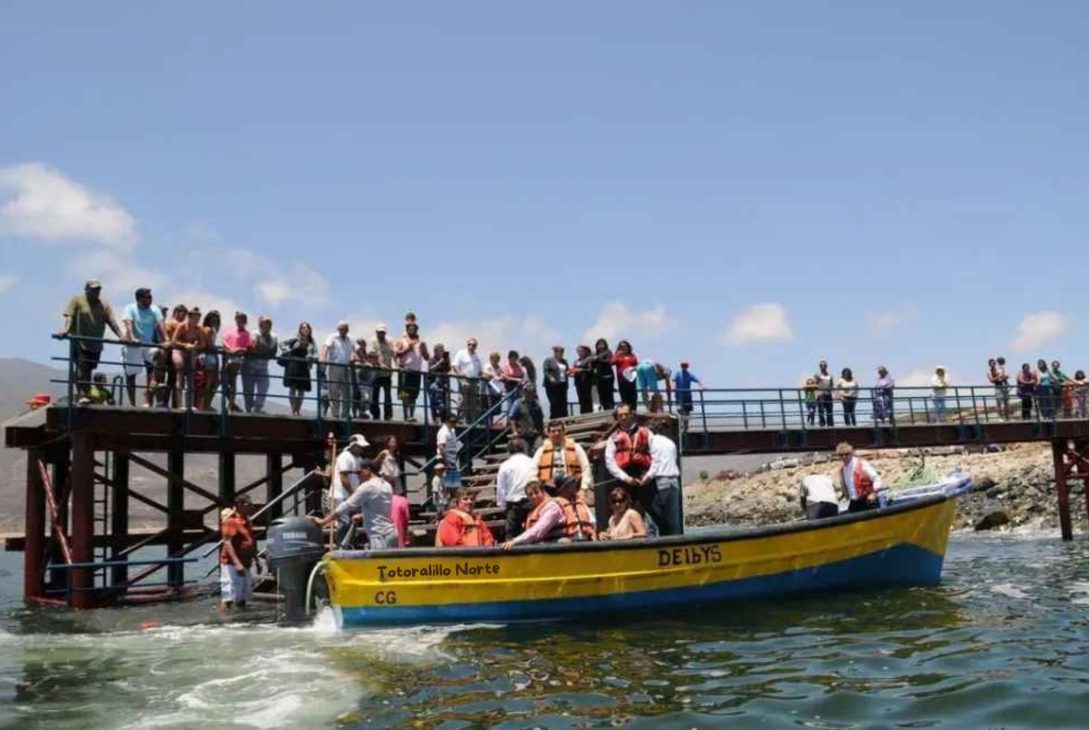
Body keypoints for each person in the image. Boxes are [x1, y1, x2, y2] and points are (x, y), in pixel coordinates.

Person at [56, 279, 124, 404]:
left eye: (98, 289)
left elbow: (111, 321)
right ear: (86, 289)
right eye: (93, 289)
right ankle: (82, 395)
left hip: (95, 343)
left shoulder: (103, 304)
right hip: (79, 340)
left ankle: (85, 394)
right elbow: (70, 317)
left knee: (89, 368)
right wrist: (66, 331)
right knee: (82, 367)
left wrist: (121, 336)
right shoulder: (77, 300)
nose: (96, 292)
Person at [315, 458, 398, 549]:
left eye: (359, 472)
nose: (357, 476)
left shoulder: (367, 486)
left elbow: (346, 506)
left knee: (380, 563)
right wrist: (363, 515)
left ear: (368, 470)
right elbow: (380, 509)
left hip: (379, 536)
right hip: (391, 533)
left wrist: (323, 522)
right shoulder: (386, 485)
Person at [501, 476, 595, 548]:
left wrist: (515, 541)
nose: (534, 496)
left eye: (536, 492)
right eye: (530, 494)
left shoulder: (552, 507)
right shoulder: (539, 509)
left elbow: (538, 529)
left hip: (567, 544)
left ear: (543, 492)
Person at [120, 287, 167, 407]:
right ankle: (132, 404)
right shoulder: (130, 308)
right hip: (133, 344)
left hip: (148, 344)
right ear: (139, 299)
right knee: (131, 375)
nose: (150, 299)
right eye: (147, 297)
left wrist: (167, 340)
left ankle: (153, 382)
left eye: (151, 297)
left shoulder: (155, 309)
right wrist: (132, 337)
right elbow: (128, 324)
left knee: (161, 354)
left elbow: (161, 325)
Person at [639, 420, 682, 536]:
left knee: (656, 519)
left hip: (660, 482)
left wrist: (646, 477)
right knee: (673, 521)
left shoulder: (652, 442)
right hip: (674, 482)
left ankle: (655, 541)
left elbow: (655, 464)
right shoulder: (670, 442)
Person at [219, 494, 257, 612]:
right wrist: (237, 563)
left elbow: (250, 541)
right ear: (239, 505)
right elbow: (227, 543)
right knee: (229, 597)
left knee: (243, 596)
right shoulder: (231, 521)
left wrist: (256, 559)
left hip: (246, 562)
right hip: (232, 564)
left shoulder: (247, 521)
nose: (251, 507)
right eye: (248, 505)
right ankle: (224, 620)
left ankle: (242, 621)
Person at [533, 421, 592, 493]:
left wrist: (583, 488)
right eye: (553, 431)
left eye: (559, 430)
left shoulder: (576, 447)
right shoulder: (541, 450)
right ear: (548, 433)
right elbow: (533, 471)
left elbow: (586, 468)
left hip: (572, 488)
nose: (556, 433)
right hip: (549, 489)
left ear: (564, 432)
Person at [604, 404, 654, 491]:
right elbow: (609, 462)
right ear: (617, 417)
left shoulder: (646, 432)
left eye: (626, 414)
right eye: (620, 415)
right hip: (623, 478)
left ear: (632, 415)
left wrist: (649, 475)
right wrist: (626, 478)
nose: (623, 417)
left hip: (646, 477)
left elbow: (657, 456)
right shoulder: (613, 438)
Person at [496, 438, 536, 539]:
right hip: (532, 501)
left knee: (511, 535)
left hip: (513, 504)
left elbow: (501, 488)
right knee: (533, 532)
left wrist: (502, 505)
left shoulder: (504, 465)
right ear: (524, 448)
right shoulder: (532, 463)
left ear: (508, 450)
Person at [394, 314, 429, 421]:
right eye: (410, 328)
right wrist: (408, 349)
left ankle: (412, 415)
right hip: (405, 369)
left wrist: (424, 349)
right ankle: (406, 415)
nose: (412, 330)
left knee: (414, 394)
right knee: (405, 394)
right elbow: (397, 354)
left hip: (416, 371)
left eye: (414, 328)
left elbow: (427, 357)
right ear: (407, 329)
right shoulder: (401, 341)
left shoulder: (420, 342)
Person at [170, 306, 205, 409]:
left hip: (191, 353)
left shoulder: (198, 329)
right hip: (179, 351)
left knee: (191, 377)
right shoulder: (181, 326)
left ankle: (189, 404)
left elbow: (203, 344)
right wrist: (185, 345)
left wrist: (194, 346)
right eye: (195, 318)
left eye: (198, 318)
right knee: (180, 373)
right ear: (189, 317)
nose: (197, 320)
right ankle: (180, 404)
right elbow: (174, 341)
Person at [280, 322, 316, 416]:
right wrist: (288, 351)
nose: (305, 329)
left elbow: (314, 354)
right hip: (293, 365)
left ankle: (298, 410)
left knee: (301, 390)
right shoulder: (294, 340)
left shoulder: (311, 342)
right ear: (300, 329)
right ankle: (293, 410)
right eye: (303, 328)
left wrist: (311, 358)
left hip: (303, 367)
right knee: (292, 388)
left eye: (307, 328)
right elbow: (282, 344)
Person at [837, 442, 884, 513]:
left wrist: (873, 494)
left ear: (851, 453)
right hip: (854, 503)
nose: (844, 457)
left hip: (868, 500)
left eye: (846, 454)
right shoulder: (842, 470)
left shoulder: (862, 464)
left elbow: (876, 478)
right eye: (841, 455)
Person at [243, 316, 277, 413]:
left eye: (268, 324)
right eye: (264, 324)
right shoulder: (254, 334)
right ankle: (248, 410)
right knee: (249, 390)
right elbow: (253, 348)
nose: (266, 326)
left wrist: (261, 351)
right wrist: (263, 352)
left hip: (263, 367)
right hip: (250, 366)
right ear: (260, 325)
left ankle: (257, 408)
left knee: (264, 386)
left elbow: (273, 352)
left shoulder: (274, 337)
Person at [220, 312, 252, 413]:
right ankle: (232, 404)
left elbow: (248, 347)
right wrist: (229, 349)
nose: (239, 321)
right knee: (222, 381)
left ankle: (230, 406)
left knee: (232, 381)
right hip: (227, 357)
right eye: (238, 319)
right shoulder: (230, 330)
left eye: (241, 319)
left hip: (237, 359)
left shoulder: (246, 334)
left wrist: (238, 349)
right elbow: (224, 341)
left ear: (245, 321)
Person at [322, 321, 353, 420]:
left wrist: (361, 360)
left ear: (347, 330)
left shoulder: (349, 339)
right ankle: (335, 414)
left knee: (347, 392)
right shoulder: (332, 337)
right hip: (333, 366)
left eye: (343, 329)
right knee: (333, 391)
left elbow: (356, 350)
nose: (341, 331)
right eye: (340, 329)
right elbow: (325, 347)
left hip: (345, 367)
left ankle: (345, 414)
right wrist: (323, 357)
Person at [162, 304, 189, 408]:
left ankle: (173, 402)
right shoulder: (173, 323)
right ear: (177, 312)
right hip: (172, 353)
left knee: (174, 379)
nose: (183, 315)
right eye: (182, 313)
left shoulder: (179, 324)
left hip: (177, 352)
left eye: (184, 313)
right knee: (172, 379)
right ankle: (167, 402)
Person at [333, 433, 369, 508]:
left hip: (351, 496)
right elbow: (344, 478)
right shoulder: (345, 456)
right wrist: (353, 494)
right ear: (353, 446)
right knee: (343, 519)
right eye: (360, 447)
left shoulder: (359, 459)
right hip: (341, 496)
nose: (362, 449)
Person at [369, 323, 396, 421]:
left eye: (383, 332)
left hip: (387, 373)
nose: (381, 334)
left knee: (387, 395)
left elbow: (393, 353)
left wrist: (396, 365)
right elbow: (372, 355)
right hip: (375, 373)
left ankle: (388, 415)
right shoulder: (373, 341)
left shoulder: (389, 342)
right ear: (376, 332)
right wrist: (381, 365)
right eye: (380, 332)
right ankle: (376, 415)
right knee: (375, 395)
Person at [452, 338, 483, 421]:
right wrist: (460, 375)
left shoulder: (477, 356)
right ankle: (461, 420)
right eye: (469, 344)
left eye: (473, 345)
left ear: (476, 346)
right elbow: (455, 366)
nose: (471, 346)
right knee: (463, 400)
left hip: (474, 380)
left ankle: (471, 420)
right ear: (467, 344)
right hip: (464, 379)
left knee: (473, 401)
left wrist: (483, 376)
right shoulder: (461, 353)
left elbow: (480, 370)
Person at [199, 310, 223, 411]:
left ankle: (207, 404)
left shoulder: (213, 330)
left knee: (215, 382)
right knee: (208, 383)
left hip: (212, 356)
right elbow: (208, 344)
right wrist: (218, 349)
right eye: (212, 317)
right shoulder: (207, 329)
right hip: (208, 356)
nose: (215, 319)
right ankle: (204, 405)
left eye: (217, 318)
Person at [435, 412, 462, 491]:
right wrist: (446, 461)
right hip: (445, 460)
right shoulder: (443, 432)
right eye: (452, 422)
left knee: (454, 484)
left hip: (452, 459)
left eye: (455, 422)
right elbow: (441, 447)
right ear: (447, 421)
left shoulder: (452, 430)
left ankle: (453, 498)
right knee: (447, 484)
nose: (454, 423)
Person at [542, 345, 570, 420]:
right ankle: (554, 420)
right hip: (552, 385)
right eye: (557, 351)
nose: (559, 353)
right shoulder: (548, 360)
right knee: (554, 403)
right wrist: (551, 378)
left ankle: (564, 419)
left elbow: (567, 370)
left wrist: (569, 372)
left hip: (563, 384)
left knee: (563, 403)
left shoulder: (564, 361)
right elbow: (546, 371)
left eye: (561, 352)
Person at [428, 343, 453, 420]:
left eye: (443, 350)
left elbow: (449, 370)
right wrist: (439, 363)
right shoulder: (432, 359)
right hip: (433, 382)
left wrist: (447, 361)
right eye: (441, 350)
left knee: (445, 400)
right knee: (434, 400)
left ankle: (444, 417)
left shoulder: (444, 359)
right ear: (436, 351)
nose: (442, 351)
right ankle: (434, 418)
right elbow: (430, 369)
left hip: (443, 382)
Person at [612, 340, 639, 409]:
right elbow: (612, 362)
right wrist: (617, 354)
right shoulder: (618, 356)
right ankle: (626, 413)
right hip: (622, 379)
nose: (623, 348)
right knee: (624, 397)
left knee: (633, 397)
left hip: (631, 378)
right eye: (621, 347)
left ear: (628, 347)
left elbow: (636, 363)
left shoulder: (632, 355)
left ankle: (633, 412)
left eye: (625, 346)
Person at [571, 345, 596, 415]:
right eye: (578, 351)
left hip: (586, 382)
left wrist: (581, 370)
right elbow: (574, 370)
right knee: (581, 400)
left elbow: (590, 370)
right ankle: (583, 414)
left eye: (581, 351)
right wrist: (571, 373)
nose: (579, 353)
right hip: (578, 382)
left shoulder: (588, 359)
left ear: (585, 351)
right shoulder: (576, 361)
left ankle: (589, 414)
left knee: (587, 399)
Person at [482, 350, 507, 422]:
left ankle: (491, 421)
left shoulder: (499, 367)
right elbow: (486, 375)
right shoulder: (487, 366)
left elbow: (502, 374)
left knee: (496, 408)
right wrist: (495, 376)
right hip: (488, 388)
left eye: (497, 359)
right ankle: (487, 422)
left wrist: (501, 376)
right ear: (491, 358)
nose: (496, 360)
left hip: (497, 389)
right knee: (488, 406)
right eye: (494, 358)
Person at [593, 338, 616, 410]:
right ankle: (605, 410)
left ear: (605, 345)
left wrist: (598, 359)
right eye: (598, 345)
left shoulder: (608, 352)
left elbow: (609, 361)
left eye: (602, 344)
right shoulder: (595, 354)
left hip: (608, 376)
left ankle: (611, 410)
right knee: (602, 396)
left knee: (609, 395)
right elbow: (592, 364)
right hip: (599, 378)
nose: (600, 346)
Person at [815, 360, 834, 427]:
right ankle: (822, 423)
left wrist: (831, 388)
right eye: (822, 365)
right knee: (821, 410)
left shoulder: (830, 375)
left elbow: (832, 384)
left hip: (828, 394)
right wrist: (818, 380)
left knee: (829, 410)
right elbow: (815, 384)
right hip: (821, 394)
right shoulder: (817, 375)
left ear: (826, 366)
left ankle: (830, 424)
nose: (823, 367)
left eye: (824, 365)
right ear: (820, 367)